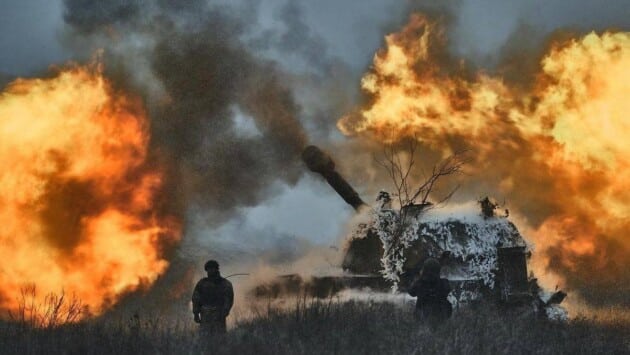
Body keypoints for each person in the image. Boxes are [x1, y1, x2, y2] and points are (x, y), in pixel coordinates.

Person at [408, 257, 452, 328]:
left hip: (424, 316)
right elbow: (448, 290)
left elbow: (411, 292)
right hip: (439, 315)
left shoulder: (420, 283)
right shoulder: (443, 283)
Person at [192, 260, 234, 334]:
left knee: (219, 338)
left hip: (219, 314)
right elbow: (196, 298)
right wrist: (196, 313)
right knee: (205, 337)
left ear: (216, 269)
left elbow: (229, 299)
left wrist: (225, 311)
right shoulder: (202, 283)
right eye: (208, 269)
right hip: (205, 314)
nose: (210, 271)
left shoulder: (225, 284)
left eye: (212, 268)